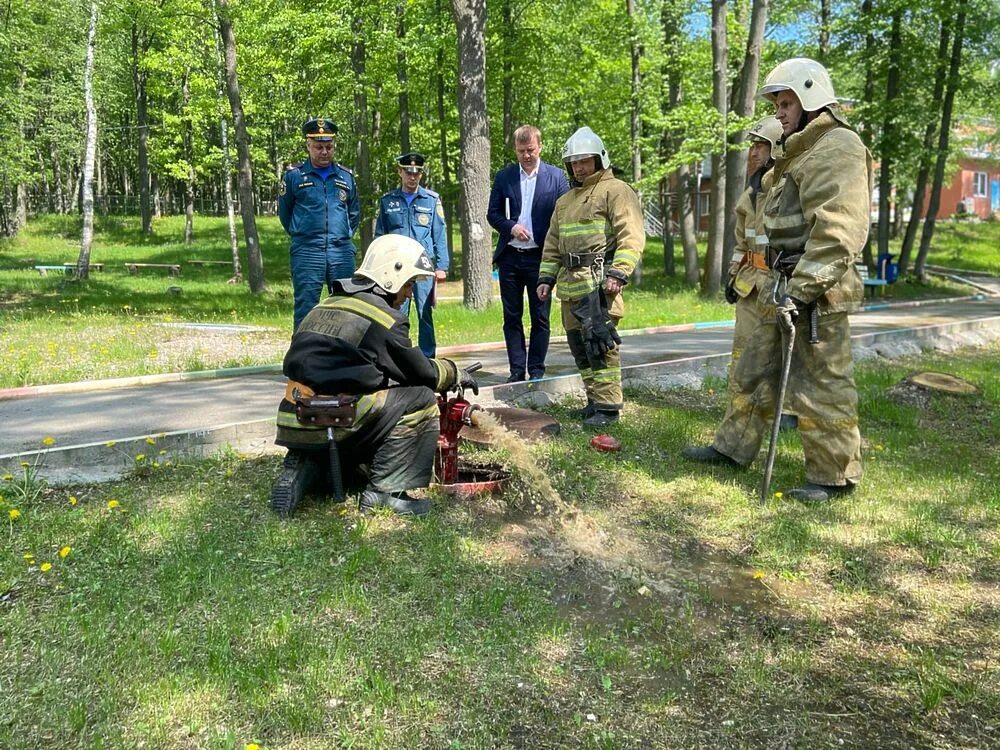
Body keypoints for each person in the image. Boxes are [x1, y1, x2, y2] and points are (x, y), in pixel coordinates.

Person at [683, 58, 873, 503]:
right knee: (755, 371)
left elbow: (839, 232)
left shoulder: (838, 147)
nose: (780, 112)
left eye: (786, 103)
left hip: (818, 291)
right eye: (777, 103)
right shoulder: (799, 149)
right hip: (782, 283)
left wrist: (802, 289)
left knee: (821, 384)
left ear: (811, 99)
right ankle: (732, 449)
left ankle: (833, 477)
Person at [275, 234, 478, 516]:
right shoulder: (385, 319)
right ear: (390, 276)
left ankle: (308, 465)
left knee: (355, 432)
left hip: (294, 418)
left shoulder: (327, 304)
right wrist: (454, 372)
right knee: (419, 399)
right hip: (337, 419)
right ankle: (384, 492)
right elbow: (419, 372)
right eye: (408, 284)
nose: (409, 293)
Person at [683, 117, 786, 463]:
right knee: (742, 370)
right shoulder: (751, 193)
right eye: (752, 145)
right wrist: (732, 275)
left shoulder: (786, 187)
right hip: (750, 290)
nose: (753, 153)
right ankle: (731, 447)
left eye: (760, 146)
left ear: (775, 150)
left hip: (779, 289)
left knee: (778, 372)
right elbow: (743, 242)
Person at [537, 127, 644, 429]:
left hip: (599, 286)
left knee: (601, 347)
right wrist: (546, 278)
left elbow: (631, 236)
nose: (580, 167)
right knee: (579, 348)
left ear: (599, 159)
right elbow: (552, 244)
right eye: (574, 162)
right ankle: (594, 401)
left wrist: (619, 272)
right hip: (570, 288)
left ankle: (608, 408)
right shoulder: (565, 201)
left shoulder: (617, 190)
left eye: (585, 161)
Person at [487, 125, 570, 382]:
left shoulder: (556, 178)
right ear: (515, 150)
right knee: (512, 316)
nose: (526, 155)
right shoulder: (505, 177)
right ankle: (516, 371)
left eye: (531, 150)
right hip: (511, 257)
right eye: (521, 151)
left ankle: (536, 370)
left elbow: (565, 215)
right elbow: (493, 214)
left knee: (540, 316)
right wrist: (511, 227)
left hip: (541, 259)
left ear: (540, 147)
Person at [278, 117, 361, 331]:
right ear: (308, 146)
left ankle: (342, 360)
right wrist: (304, 234)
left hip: (340, 252)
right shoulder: (294, 176)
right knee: (306, 308)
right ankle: (304, 361)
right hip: (307, 251)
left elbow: (353, 213)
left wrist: (341, 235)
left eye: (328, 147)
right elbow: (285, 214)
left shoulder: (346, 177)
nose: (324, 152)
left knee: (346, 307)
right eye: (318, 147)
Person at [374, 152, 449, 357]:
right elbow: (380, 235)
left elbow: (439, 233)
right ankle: (399, 354)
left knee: (425, 313)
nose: (412, 177)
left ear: (421, 174)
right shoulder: (388, 201)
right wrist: (380, 265)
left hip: (422, 266)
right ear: (400, 172)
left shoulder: (431, 200)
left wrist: (442, 266)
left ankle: (427, 358)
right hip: (397, 268)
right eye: (408, 172)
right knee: (397, 313)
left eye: (416, 173)